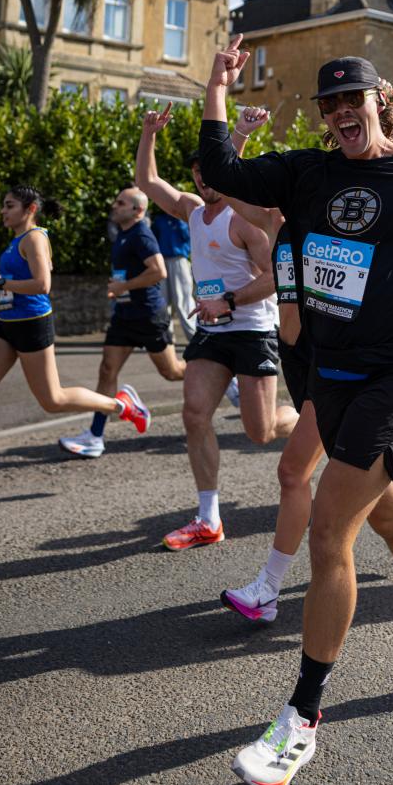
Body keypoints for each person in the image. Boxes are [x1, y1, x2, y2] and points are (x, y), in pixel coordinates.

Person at [199, 37, 393, 785]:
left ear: (379, 101)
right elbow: (222, 172)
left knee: (331, 527)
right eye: (328, 104)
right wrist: (216, 93)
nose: (339, 113)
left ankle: (300, 719)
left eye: (350, 100)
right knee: (390, 513)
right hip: (328, 375)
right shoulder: (308, 172)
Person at [220, 103, 393, 626]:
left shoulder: (347, 222)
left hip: (333, 361)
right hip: (299, 361)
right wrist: (238, 135)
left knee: (294, 472)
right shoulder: (277, 218)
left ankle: (268, 588)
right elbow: (229, 187)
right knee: (376, 499)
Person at [0, 185, 150, 505]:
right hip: (6, 325)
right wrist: (3, 282)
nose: (3, 211)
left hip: (32, 325)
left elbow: (44, 284)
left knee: (53, 400)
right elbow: (36, 275)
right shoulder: (18, 241)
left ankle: (121, 405)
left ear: (30, 209)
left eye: (9, 205)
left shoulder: (35, 237)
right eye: (3, 206)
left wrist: (0, 282)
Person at [134, 107, 298, 551]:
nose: (204, 180)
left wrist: (227, 300)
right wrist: (149, 134)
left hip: (251, 330)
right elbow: (148, 183)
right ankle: (208, 517)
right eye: (198, 173)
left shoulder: (246, 219)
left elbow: (276, 277)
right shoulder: (190, 209)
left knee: (259, 432)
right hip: (212, 332)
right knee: (194, 414)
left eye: (211, 172)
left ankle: (308, 422)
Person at [58, 187, 184, 459]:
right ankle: (95, 435)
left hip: (149, 315)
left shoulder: (142, 235)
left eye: (121, 203)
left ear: (138, 210)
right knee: (107, 370)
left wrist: (124, 285)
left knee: (172, 372)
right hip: (125, 315)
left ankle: (223, 375)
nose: (114, 206)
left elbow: (159, 271)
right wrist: (119, 287)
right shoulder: (123, 235)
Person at [153, 208, 197, 340]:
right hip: (162, 260)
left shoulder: (183, 220)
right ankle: (167, 336)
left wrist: (179, 219)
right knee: (162, 300)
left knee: (183, 300)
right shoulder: (159, 221)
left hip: (179, 260)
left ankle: (194, 335)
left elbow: (189, 237)